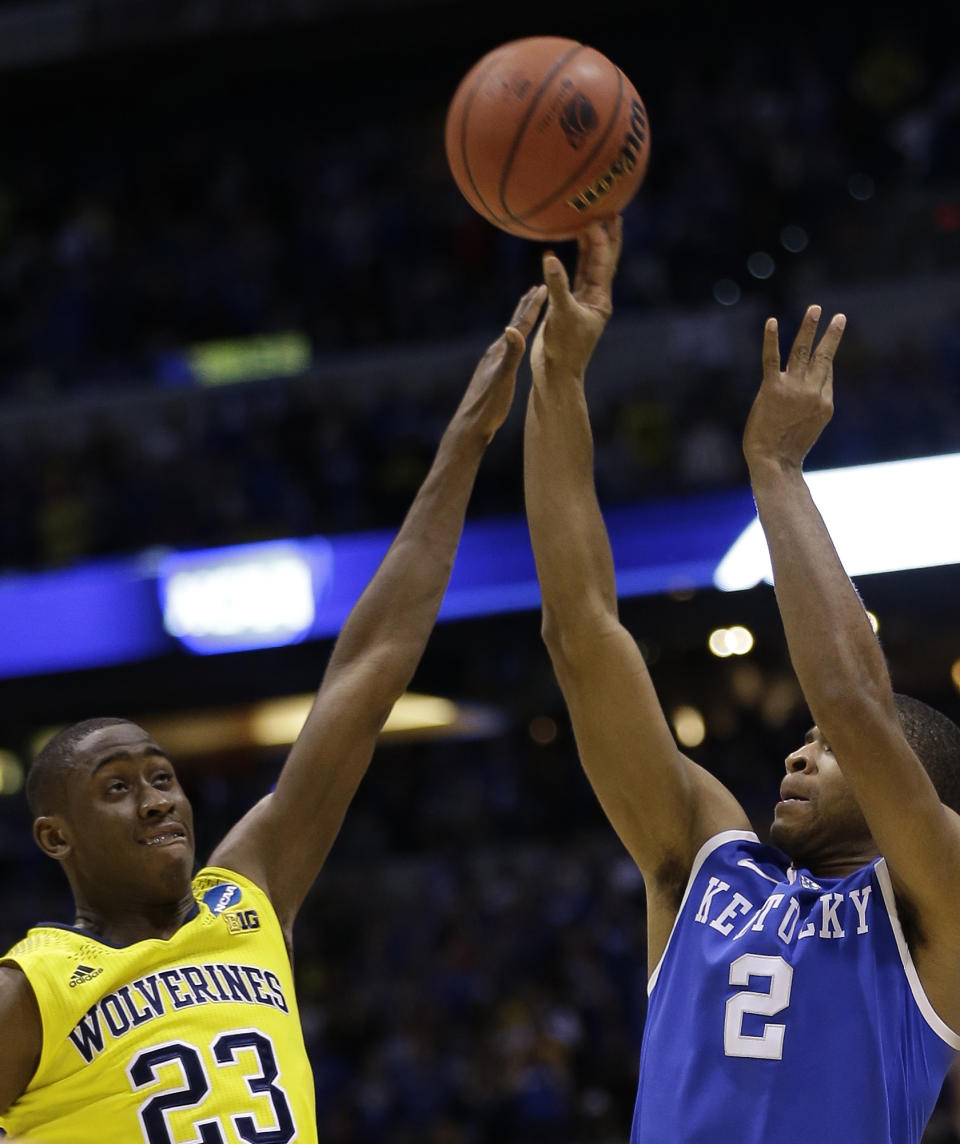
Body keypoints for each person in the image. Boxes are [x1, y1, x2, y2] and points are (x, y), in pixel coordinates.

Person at [0, 283, 547, 1143]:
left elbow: (366, 675)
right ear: (54, 836)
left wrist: (466, 441)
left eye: (161, 777)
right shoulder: (30, 988)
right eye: (115, 787)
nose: (156, 800)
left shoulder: (245, 898)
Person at [523, 216, 960, 1143]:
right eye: (804, 743)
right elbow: (583, 634)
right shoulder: (707, 858)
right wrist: (558, 381)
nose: (800, 755)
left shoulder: (938, 910)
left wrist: (777, 470)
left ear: (908, 792)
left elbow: (852, 698)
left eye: (829, 753)